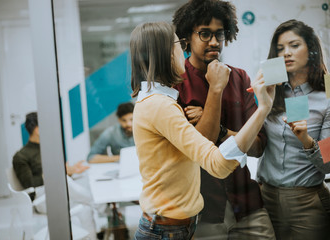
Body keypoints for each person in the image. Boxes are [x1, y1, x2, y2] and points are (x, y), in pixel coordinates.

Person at [130, 21, 275, 240]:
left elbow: (256, 145)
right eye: (180, 44)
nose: (183, 48)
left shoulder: (158, 101)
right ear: (167, 53)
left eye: (220, 34)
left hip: (175, 226)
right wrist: (263, 108)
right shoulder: (161, 105)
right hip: (168, 229)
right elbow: (217, 163)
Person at [172, 0, 275, 239]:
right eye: (205, 34)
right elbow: (201, 146)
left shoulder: (239, 77)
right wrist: (216, 90)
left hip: (247, 203)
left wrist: (219, 130)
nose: (214, 42)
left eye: (219, 34)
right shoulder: (176, 83)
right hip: (203, 209)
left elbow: (258, 146)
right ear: (187, 36)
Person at [257, 19, 330, 240]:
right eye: (280, 48)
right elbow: (252, 143)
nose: (286, 53)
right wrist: (260, 105)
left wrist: (306, 140)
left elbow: (328, 167)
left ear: (312, 50)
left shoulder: (327, 94)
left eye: (294, 45)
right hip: (264, 198)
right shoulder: (270, 90)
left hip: (307, 204)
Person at [13, 112, 91, 213]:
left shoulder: (48, 149)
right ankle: (97, 202)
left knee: (86, 179)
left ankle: (97, 202)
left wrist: (70, 170)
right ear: (37, 130)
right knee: (67, 182)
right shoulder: (21, 156)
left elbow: (56, 174)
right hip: (41, 198)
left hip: (56, 191)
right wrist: (56, 174)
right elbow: (30, 184)